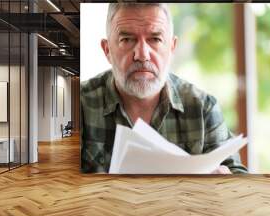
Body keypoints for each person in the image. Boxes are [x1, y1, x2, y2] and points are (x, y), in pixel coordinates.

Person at [80, 3, 247, 174]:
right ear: (107, 50)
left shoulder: (203, 108)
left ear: (172, 47)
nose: (142, 54)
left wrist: (227, 182)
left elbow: (239, 179)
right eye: (127, 39)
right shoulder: (80, 104)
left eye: (155, 39)